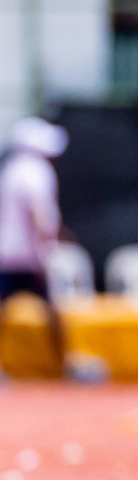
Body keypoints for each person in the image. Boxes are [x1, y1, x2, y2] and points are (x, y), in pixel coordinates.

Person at [0, 117, 70, 379]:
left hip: (6, 253)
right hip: (28, 257)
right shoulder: (37, 171)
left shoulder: (10, 170)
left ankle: (63, 362)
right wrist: (46, 249)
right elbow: (40, 216)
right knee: (53, 312)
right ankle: (63, 363)